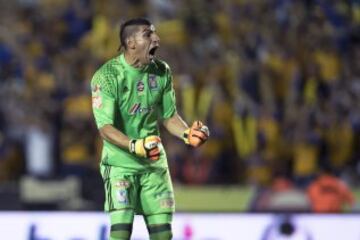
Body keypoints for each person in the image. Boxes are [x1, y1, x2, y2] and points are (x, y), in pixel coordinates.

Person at [90, 18, 209, 240]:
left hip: (154, 163)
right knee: (121, 233)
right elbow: (105, 127)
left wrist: (186, 133)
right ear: (131, 42)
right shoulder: (107, 76)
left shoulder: (162, 71)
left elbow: (169, 115)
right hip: (120, 164)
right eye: (148, 34)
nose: (157, 39)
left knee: (163, 235)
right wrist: (135, 145)